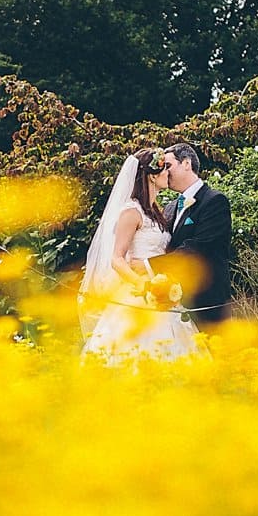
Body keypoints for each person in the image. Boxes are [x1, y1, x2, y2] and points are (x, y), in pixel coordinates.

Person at [78, 148, 202, 363]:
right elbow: (117, 259)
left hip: (162, 289)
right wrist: (144, 287)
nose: (168, 175)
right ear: (153, 176)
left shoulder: (156, 211)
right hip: (138, 293)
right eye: (165, 170)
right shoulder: (131, 211)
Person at [154, 141, 233, 326]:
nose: (164, 172)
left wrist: (148, 266)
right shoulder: (170, 207)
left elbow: (197, 248)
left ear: (187, 163)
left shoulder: (215, 201)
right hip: (173, 305)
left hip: (207, 304)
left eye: (168, 165)